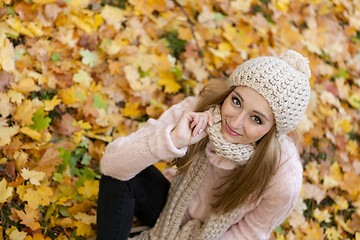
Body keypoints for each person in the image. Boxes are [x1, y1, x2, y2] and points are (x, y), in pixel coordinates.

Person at [96, 50, 312, 240]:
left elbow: (249, 233)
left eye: (256, 119)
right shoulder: (197, 112)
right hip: (170, 208)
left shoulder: (283, 175)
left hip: (215, 235)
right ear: (229, 92)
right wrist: (173, 139)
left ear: (273, 131)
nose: (235, 123)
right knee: (124, 174)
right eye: (236, 101)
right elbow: (111, 166)